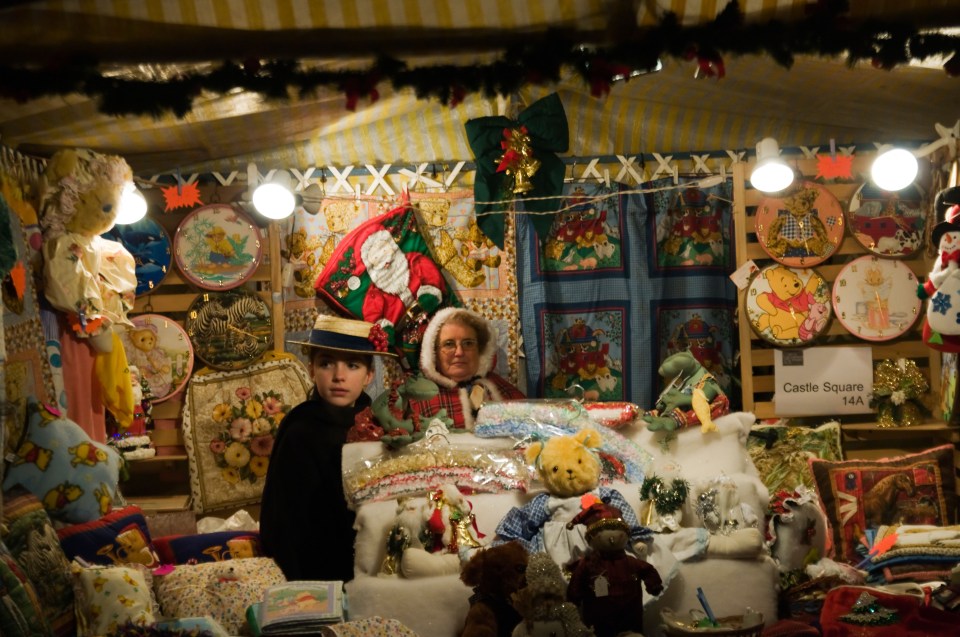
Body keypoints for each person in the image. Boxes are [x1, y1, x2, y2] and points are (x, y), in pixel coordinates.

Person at [259, 314, 396, 582]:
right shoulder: (300, 430)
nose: (339, 376)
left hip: (373, 563)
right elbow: (284, 518)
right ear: (311, 370)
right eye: (327, 363)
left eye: (353, 365)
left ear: (369, 375)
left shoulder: (381, 426)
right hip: (313, 567)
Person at [413, 306, 525, 429]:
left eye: (468, 343)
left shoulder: (501, 390)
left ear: (480, 350)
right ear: (434, 353)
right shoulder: (417, 398)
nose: (459, 352)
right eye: (449, 344)